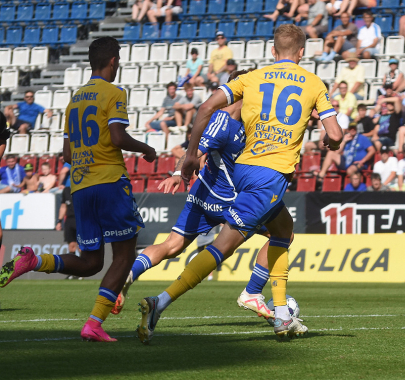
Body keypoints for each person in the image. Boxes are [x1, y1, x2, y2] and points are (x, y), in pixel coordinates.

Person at [137, 25, 344, 342]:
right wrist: (329, 141)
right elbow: (336, 134)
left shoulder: (254, 78)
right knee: (223, 246)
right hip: (270, 176)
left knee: (283, 229)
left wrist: (189, 158)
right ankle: (160, 303)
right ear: (302, 52)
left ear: (273, 52)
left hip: (244, 169)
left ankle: (276, 310)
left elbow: (207, 107)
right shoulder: (315, 84)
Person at [0, 37, 158, 342]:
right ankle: (94, 323)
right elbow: (116, 137)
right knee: (124, 255)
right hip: (109, 181)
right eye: (119, 60)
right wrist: (147, 150)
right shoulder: (114, 92)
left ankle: (34, 261)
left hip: (81, 186)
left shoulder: (74, 99)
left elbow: (68, 155)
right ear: (113, 60)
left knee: (91, 262)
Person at [114, 76, 288, 325]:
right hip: (230, 199)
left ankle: (126, 278)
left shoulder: (244, 120)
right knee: (281, 235)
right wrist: (178, 172)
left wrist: (177, 174)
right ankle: (253, 291)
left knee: (172, 245)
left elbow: (193, 152)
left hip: (202, 193)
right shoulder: (225, 121)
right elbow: (194, 153)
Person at [56, 185, 79, 258]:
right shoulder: (66, 190)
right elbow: (63, 206)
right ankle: (73, 266)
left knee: (81, 246)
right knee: (71, 245)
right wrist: (59, 221)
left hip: (80, 220)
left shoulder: (82, 189)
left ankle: (84, 266)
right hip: (69, 220)